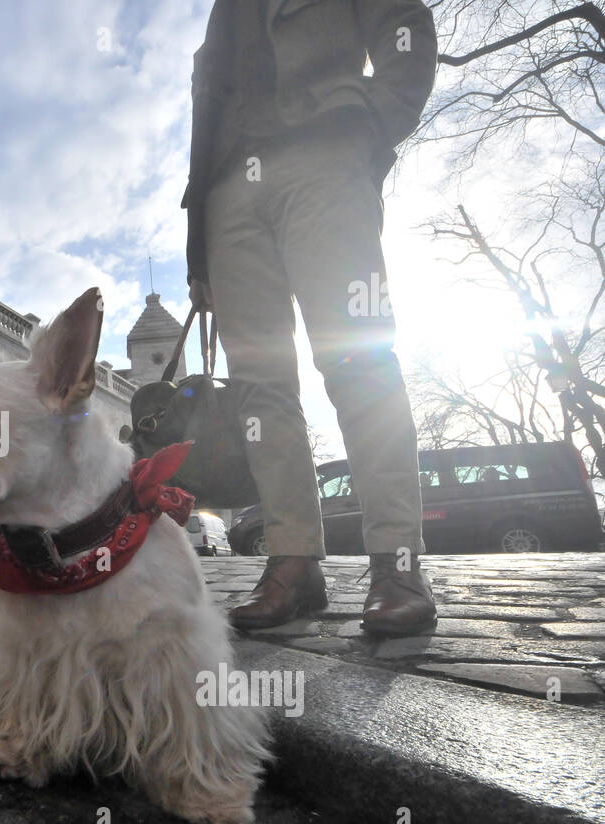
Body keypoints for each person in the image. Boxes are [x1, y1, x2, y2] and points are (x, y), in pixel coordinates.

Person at [182, 0, 439, 635]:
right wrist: (200, 251)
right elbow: (206, 114)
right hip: (227, 193)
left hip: (326, 149)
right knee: (259, 387)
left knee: (360, 357)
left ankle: (397, 565)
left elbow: (404, 24)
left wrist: (372, 124)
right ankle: (293, 562)